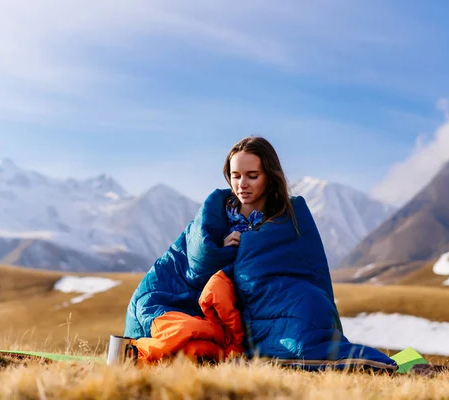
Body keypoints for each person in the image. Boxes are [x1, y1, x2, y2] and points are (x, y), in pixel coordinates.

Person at [124, 136, 397, 371]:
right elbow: (191, 260)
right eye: (236, 176)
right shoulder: (215, 213)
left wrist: (248, 248)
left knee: (308, 308)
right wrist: (218, 249)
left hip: (260, 301)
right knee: (178, 327)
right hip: (195, 301)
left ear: (269, 176)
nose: (242, 184)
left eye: (252, 176)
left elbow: (305, 267)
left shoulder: (289, 215)